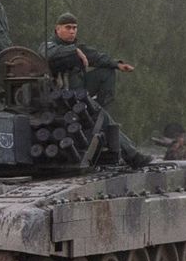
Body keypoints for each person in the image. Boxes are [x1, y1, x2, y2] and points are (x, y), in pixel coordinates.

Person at [42, 13, 151, 167]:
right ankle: (132, 155)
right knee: (102, 118)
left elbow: (97, 57)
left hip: (80, 92)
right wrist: (74, 51)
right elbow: (48, 54)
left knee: (107, 72)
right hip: (63, 99)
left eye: (74, 28)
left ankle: (98, 109)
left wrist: (117, 64)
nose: (72, 31)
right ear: (57, 29)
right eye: (68, 27)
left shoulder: (78, 47)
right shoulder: (49, 45)